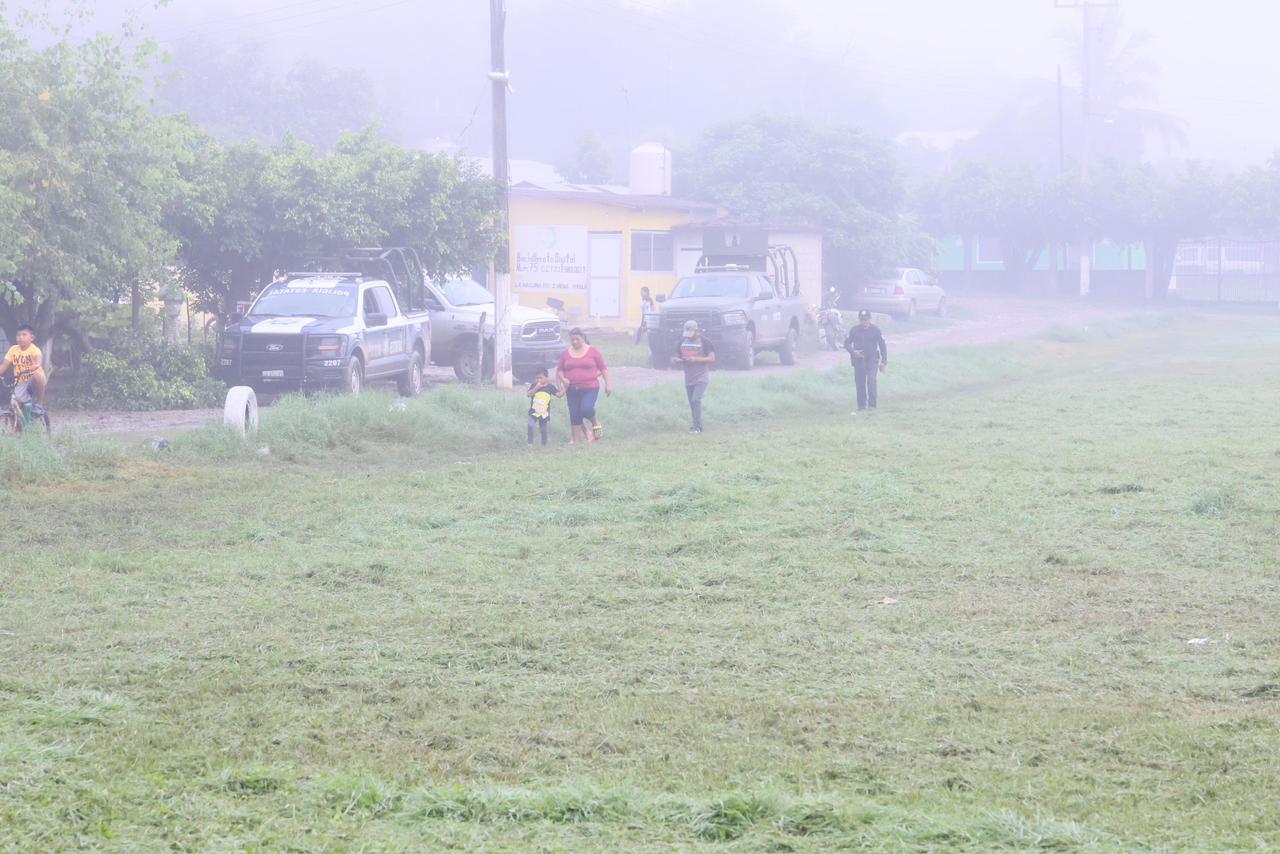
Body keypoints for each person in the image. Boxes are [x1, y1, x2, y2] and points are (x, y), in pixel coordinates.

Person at [556, 328, 611, 444]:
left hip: (590, 387)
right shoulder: (565, 354)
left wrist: (607, 384)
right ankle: (575, 440)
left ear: (583, 338)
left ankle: (595, 423)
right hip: (571, 388)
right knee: (574, 413)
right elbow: (559, 370)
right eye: (572, 340)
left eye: (577, 339)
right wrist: (562, 380)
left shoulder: (593, 351)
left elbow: (603, 368)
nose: (575, 342)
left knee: (586, 409)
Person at [673, 319, 715, 433]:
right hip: (688, 377)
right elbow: (675, 356)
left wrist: (696, 359)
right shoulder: (682, 342)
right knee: (692, 402)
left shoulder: (705, 342)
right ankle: (696, 425)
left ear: (697, 331)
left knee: (696, 399)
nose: (689, 337)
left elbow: (712, 358)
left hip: (702, 377)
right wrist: (678, 360)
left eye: (691, 334)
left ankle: (697, 427)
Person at [843, 310, 887, 412]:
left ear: (869, 319)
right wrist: (853, 352)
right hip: (859, 360)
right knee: (860, 383)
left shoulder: (876, 330)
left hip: (872, 359)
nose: (864, 322)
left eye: (866, 320)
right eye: (862, 320)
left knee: (871, 380)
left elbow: (882, 346)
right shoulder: (854, 330)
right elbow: (847, 343)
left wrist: (884, 361)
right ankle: (861, 405)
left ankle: (872, 405)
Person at [1, 325, 47, 417]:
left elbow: (38, 361)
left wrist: (35, 366)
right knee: (17, 408)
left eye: (24, 334)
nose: (20, 337)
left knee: (37, 376)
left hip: (34, 380)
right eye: (18, 335)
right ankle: (20, 427)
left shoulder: (34, 349)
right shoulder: (13, 349)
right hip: (20, 381)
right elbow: (4, 366)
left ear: (32, 338)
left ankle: (39, 405)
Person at [526, 369, 562, 447]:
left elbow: (559, 395)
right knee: (530, 425)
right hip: (533, 411)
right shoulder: (534, 385)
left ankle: (544, 444)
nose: (538, 380)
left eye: (541, 378)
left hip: (544, 413)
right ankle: (530, 443)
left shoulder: (550, 387)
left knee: (543, 429)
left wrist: (565, 388)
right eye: (537, 378)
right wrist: (536, 388)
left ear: (547, 378)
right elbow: (528, 394)